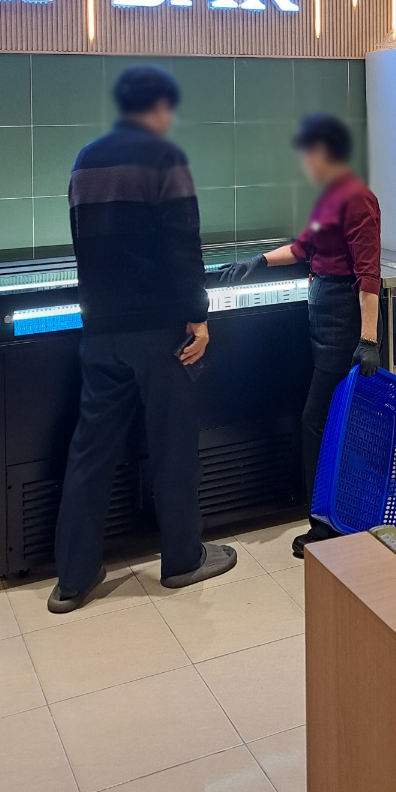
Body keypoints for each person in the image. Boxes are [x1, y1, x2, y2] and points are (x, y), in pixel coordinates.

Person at [48, 65, 236, 613]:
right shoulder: (164, 158)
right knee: (173, 446)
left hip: (100, 331)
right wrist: (198, 316)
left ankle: (73, 578)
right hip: (160, 333)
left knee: (90, 452)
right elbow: (183, 245)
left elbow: (81, 242)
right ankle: (181, 560)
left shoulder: (85, 161)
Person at [220, 113, 381, 560]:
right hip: (324, 324)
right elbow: (304, 248)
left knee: (318, 421)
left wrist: (368, 340)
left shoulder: (357, 199)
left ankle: (325, 526)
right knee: (329, 421)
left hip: (344, 327)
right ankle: (339, 516)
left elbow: (368, 275)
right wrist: (258, 262)